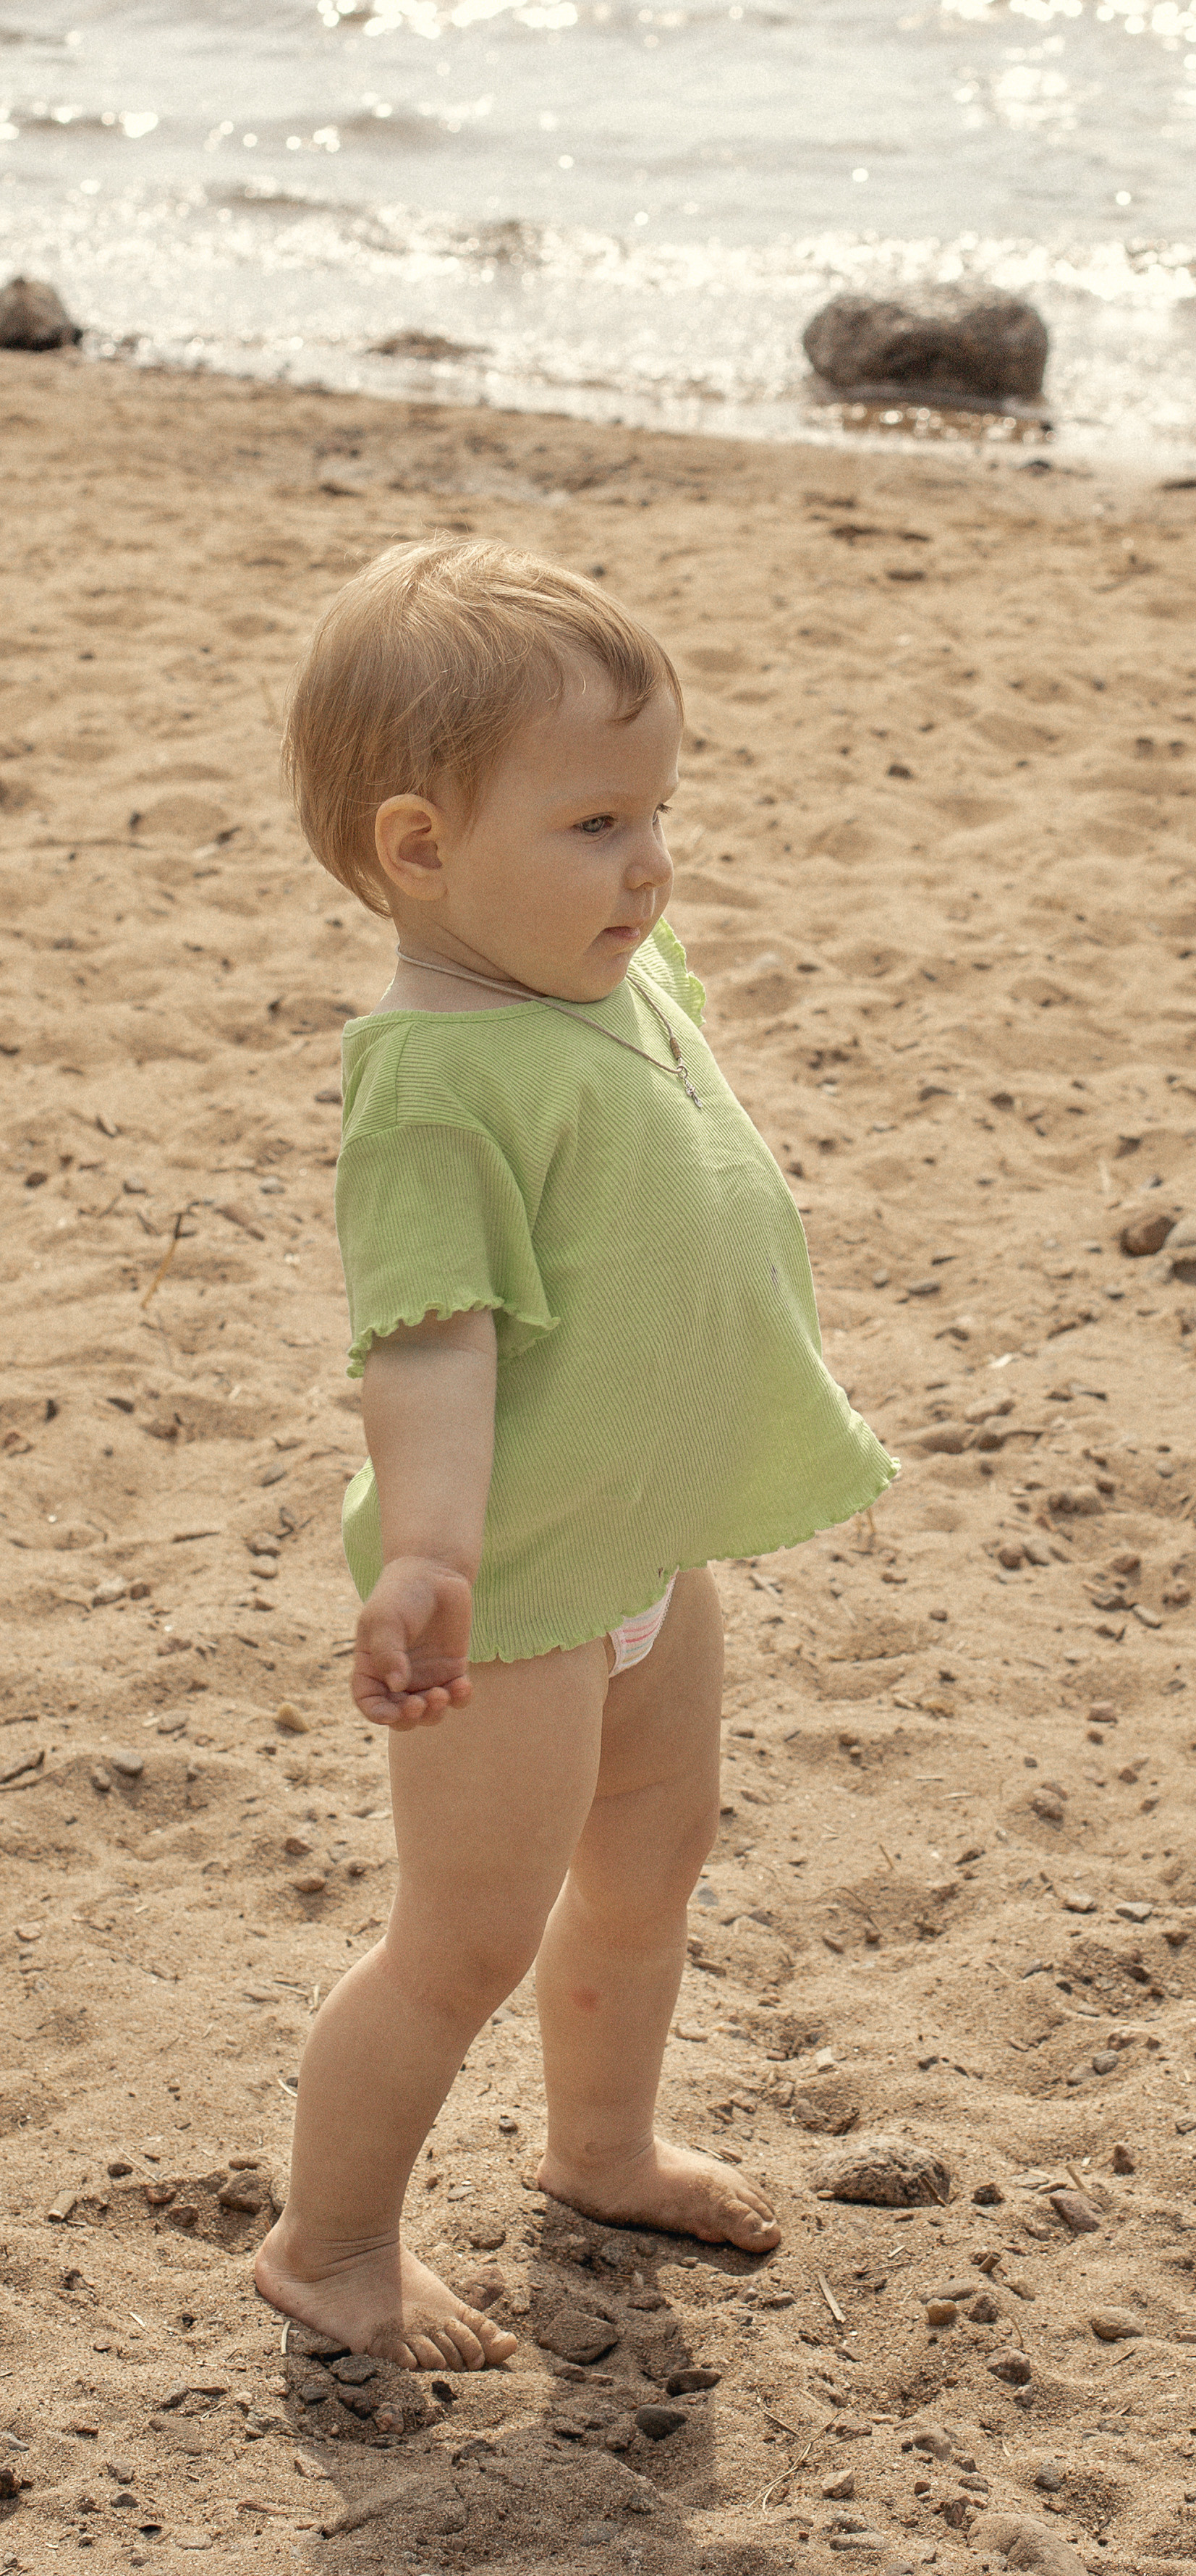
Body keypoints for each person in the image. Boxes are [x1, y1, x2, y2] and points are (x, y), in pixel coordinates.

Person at [254, 539, 894, 2370]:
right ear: (417, 848)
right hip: (521, 1595)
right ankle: (329, 2242)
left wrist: (608, 878)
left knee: (647, 1871)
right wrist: (430, 1554)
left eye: (659, 810)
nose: (652, 861)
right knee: (462, 1940)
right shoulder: (433, 1080)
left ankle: (600, 2145)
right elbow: (429, 1338)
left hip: (646, 1553)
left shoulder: (602, 970)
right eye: (598, 824)